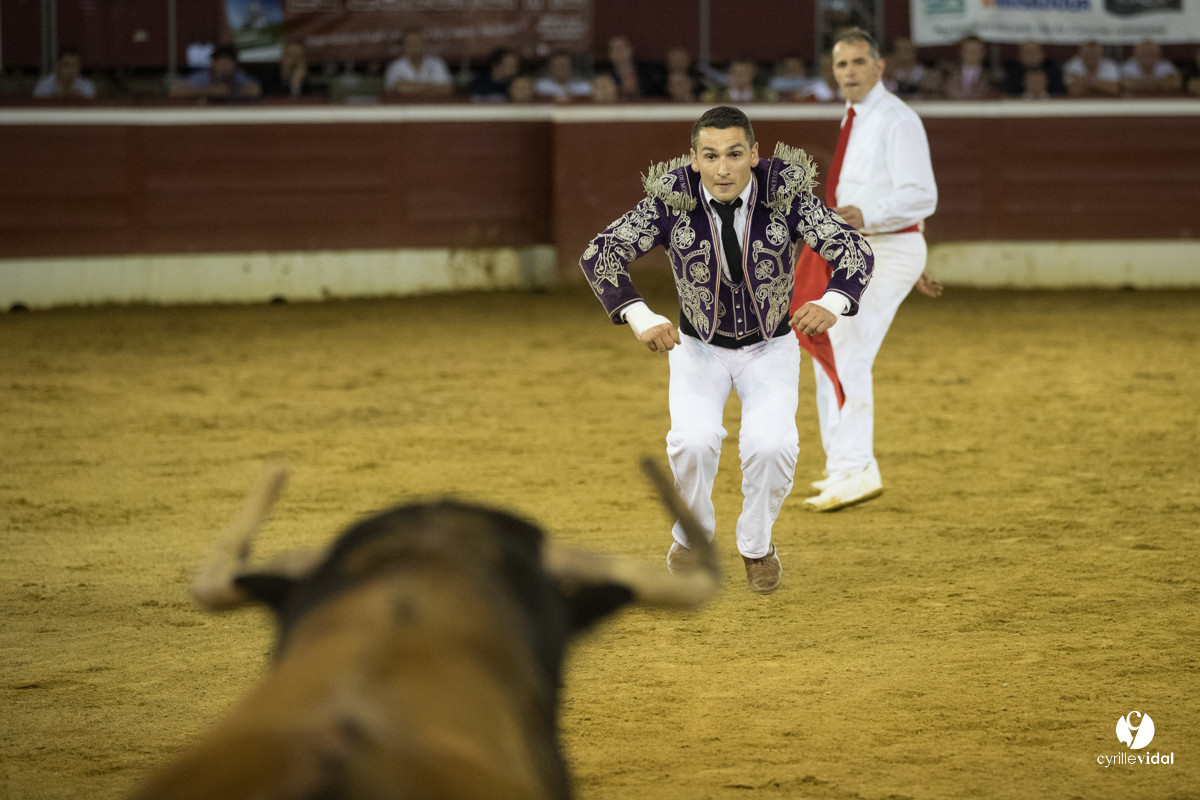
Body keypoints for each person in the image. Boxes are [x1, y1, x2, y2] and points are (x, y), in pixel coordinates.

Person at [578, 106, 874, 594]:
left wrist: (833, 301)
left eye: (735, 154)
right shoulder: (671, 200)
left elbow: (853, 249)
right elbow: (601, 252)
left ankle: (757, 546)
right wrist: (638, 314)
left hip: (772, 346)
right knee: (692, 442)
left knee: (773, 445)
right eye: (710, 156)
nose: (723, 168)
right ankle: (691, 537)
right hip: (698, 348)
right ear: (693, 159)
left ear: (754, 155)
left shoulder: (786, 194)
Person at [792, 28, 940, 513]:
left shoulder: (897, 119)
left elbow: (922, 196)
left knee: (846, 344)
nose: (849, 72)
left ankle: (856, 467)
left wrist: (871, 218)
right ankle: (841, 466)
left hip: (885, 246)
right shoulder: (856, 116)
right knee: (827, 343)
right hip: (866, 248)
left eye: (858, 62)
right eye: (841, 65)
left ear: (880, 67)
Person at [170, 45, 261, 101]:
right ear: (213, 63)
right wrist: (209, 91)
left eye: (229, 62)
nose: (225, 65)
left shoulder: (238, 76)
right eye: (221, 62)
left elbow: (255, 89)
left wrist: (230, 92)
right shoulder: (204, 77)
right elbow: (175, 90)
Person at [383, 28, 452, 96]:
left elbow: (446, 89)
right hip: (405, 106)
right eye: (410, 43)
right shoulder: (395, 67)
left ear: (424, 44)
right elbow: (399, 89)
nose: (415, 47)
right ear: (404, 46)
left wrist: (410, 85)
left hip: (433, 106)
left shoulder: (437, 63)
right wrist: (432, 86)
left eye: (418, 42)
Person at [941, 35, 996, 99]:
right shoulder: (947, 74)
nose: (972, 53)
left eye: (976, 50)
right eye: (968, 50)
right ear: (961, 51)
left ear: (983, 53)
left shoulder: (992, 77)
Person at [701, 57, 777, 104]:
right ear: (730, 74)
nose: (740, 77)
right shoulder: (714, 96)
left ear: (752, 74)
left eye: (744, 73)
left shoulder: (765, 96)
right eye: (736, 73)